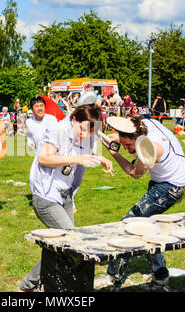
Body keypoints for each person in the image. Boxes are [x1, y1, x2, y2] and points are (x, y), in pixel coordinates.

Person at [19, 104, 114, 292]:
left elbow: (82, 153)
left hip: (66, 195)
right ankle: (33, 286)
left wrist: (101, 158)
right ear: (73, 120)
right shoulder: (58, 130)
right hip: (46, 196)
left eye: (90, 131)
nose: (85, 135)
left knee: (62, 247)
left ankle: (29, 286)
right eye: (82, 129)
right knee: (72, 244)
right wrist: (76, 160)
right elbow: (43, 159)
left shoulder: (85, 136)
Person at [96, 115, 185, 289]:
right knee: (147, 227)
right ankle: (160, 275)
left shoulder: (148, 147)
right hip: (166, 181)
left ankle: (113, 277)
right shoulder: (142, 124)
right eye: (123, 144)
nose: (126, 148)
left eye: (128, 145)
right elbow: (133, 123)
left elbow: (135, 173)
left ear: (138, 139)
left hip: (170, 187)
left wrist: (114, 152)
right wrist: (120, 137)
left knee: (129, 223)